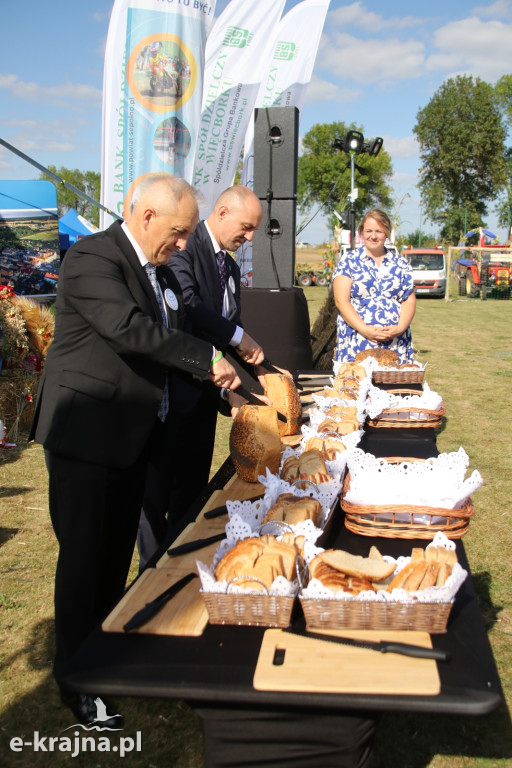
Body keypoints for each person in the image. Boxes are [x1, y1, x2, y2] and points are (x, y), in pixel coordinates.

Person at [29, 173, 240, 726]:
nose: (180, 244)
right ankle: (77, 680)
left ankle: (108, 649)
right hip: (87, 437)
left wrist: (235, 387)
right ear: (145, 215)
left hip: (133, 439)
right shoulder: (94, 258)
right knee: (83, 561)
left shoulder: (161, 271)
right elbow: (130, 331)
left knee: (116, 553)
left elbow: (175, 337)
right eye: (176, 232)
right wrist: (205, 356)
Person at [137, 185, 268, 568]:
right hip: (174, 394)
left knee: (192, 495)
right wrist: (240, 341)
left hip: (205, 398)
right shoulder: (185, 248)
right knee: (157, 498)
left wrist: (261, 368)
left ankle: (182, 566)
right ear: (223, 212)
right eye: (246, 227)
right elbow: (189, 310)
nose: (249, 237)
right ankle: (152, 573)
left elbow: (228, 324)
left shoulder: (226, 262)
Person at [332, 209, 416, 364]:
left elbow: (409, 301)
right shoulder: (349, 261)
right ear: (361, 233)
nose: (373, 236)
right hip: (357, 340)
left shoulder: (401, 264)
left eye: (379, 231)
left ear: (387, 233)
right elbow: (341, 301)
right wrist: (365, 329)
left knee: (394, 386)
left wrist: (400, 328)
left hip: (395, 342)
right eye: (369, 231)